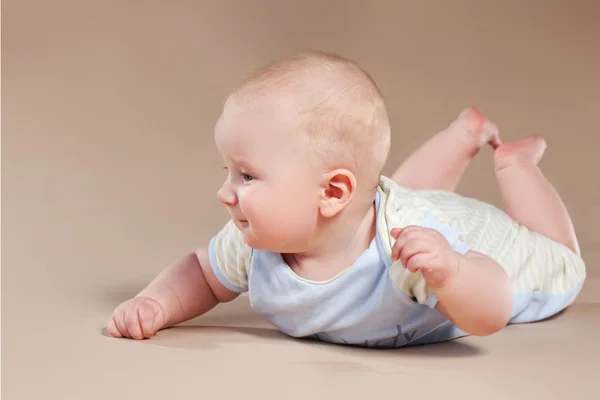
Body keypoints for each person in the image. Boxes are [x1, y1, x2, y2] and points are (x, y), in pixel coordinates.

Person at [106, 51, 586, 348]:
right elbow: (202, 275)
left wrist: (453, 273)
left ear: (333, 192)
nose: (224, 192)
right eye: (228, 171)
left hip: (484, 251)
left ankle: (515, 165)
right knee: (406, 195)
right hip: (407, 208)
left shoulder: (407, 253)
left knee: (564, 262)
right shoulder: (254, 240)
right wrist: (156, 302)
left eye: (247, 175)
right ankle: (463, 135)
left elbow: (491, 312)